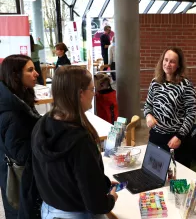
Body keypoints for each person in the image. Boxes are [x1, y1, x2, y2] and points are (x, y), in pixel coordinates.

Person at [31, 66, 118, 218]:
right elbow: (97, 205)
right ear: (80, 94)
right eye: (92, 89)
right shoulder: (80, 141)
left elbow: (63, 175)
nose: (95, 93)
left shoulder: (42, 124)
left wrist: (99, 182)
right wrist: (110, 199)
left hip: (49, 211)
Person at [0, 55, 41, 219]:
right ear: (15, 75)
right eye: (30, 70)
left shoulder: (18, 99)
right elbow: (23, 155)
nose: (36, 73)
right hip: (20, 180)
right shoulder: (13, 113)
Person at [143, 47, 196, 167]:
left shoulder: (186, 85)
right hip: (156, 137)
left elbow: (191, 114)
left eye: (172, 61)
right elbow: (148, 105)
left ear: (178, 65)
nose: (168, 64)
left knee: (177, 178)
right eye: (166, 60)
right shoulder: (155, 82)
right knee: (153, 172)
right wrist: (148, 115)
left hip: (176, 140)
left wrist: (180, 136)